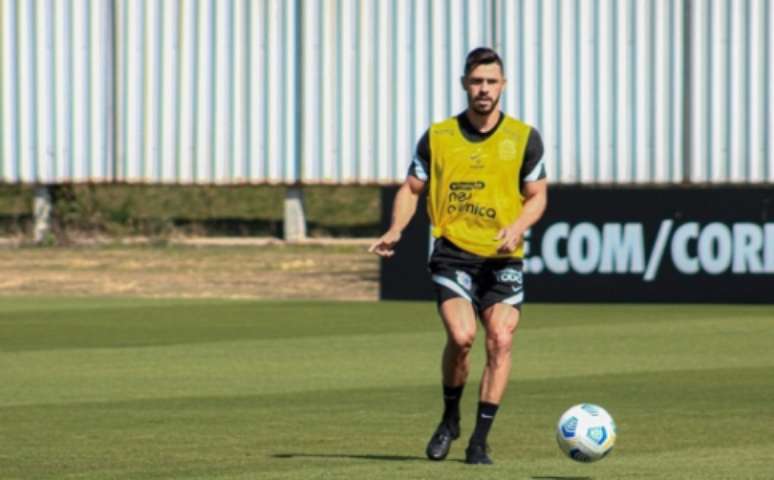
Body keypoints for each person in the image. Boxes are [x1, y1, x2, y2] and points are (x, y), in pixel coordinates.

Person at [369, 47, 548, 465]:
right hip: (453, 253)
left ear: (503, 85)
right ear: (465, 85)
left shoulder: (524, 138)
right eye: (476, 81)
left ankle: (479, 442)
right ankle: (451, 418)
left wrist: (518, 226)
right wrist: (396, 229)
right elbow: (412, 189)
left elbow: (537, 197)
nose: (483, 89)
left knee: (501, 339)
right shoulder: (438, 136)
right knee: (463, 337)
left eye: (491, 81)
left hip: (504, 257)